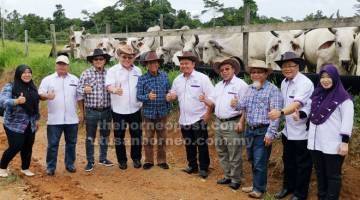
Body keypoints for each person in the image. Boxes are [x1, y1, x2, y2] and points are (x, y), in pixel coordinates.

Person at [233, 59, 283, 199]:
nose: (255, 75)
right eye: (253, 72)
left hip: (263, 130)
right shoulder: (249, 88)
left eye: (259, 72)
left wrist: (270, 133)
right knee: (252, 159)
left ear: (266, 74)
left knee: (260, 161)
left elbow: (275, 114)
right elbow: (242, 106)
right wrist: (235, 104)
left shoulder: (273, 90)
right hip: (250, 130)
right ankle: (256, 185)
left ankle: (259, 189)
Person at [268, 52, 314, 200]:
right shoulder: (284, 82)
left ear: (298, 66)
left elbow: (297, 104)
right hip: (288, 132)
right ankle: (288, 187)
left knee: (302, 164)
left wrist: (280, 112)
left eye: (290, 66)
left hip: (302, 132)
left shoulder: (305, 83)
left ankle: (300, 194)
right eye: (284, 66)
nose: (287, 69)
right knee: (288, 162)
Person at [307, 64, 353, 200]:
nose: (325, 80)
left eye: (329, 77)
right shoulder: (317, 94)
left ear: (335, 78)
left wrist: (345, 142)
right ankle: (322, 197)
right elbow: (309, 112)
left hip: (333, 145)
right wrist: (301, 115)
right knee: (320, 173)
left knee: (333, 175)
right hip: (315, 143)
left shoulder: (344, 98)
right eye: (322, 77)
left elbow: (347, 121)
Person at [200, 57, 248, 189]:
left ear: (233, 70)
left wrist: (242, 122)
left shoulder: (241, 85)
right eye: (222, 70)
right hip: (219, 122)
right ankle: (228, 176)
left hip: (233, 122)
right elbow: (214, 104)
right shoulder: (219, 85)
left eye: (227, 69)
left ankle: (236, 179)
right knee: (221, 151)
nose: (224, 72)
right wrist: (205, 100)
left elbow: (246, 107)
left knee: (234, 152)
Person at [166, 51, 214, 179]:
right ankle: (192, 166)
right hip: (184, 118)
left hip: (199, 117)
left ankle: (204, 168)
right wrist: (170, 96)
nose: (184, 66)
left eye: (186, 63)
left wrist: (208, 114)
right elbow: (172, 94)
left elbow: (212, 98)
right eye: (181, 64)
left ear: (193, 64)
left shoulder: (202, 78)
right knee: (189, 143)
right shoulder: (177, 80)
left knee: (201, 144)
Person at [39, 55, 82, 176]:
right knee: (53, 144)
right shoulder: (48, 80)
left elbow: (79, 98)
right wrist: (47, 96)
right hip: (54, 119)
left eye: (64, 64)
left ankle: (70, 164)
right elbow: (40, 95)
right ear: (55, 65)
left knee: (71, 143)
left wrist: (82, 113)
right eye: (59, 64)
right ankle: (51, 167)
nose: (61, 66)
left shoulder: (75, 79)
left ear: (68, 66)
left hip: (72, 119)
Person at [105, 44, 143, 170]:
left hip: (135, 109)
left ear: (134, 58)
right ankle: (122, 160)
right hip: (118, 110)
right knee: (119, 136)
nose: (127, 59)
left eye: (130, 57)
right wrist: (115, 89)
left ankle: (136, 158)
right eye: (124, 57)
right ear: (119, 57)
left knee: (136, 135)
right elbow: (108, 86)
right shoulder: (113, 71)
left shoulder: (138, 71)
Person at [0, 64, 40, 177]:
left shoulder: (32, 87)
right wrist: (16, 101)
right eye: (24, 72)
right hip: (13, 124)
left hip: (30, 123)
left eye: (29, 72)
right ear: (19, 74)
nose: (27, 75)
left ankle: (25, 168)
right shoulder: (10, 86)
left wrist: (36, 120)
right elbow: (2, 101)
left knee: (28, 146)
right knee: (16, 146)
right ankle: (2, 167)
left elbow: (35, 105)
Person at [77, 49, 113, 172]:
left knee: (105, 135)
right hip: (91, 110)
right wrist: (84, 90)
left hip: (107, 110)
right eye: (96, 59)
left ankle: (103, 158)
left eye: (101, 59)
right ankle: (90, 161)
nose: (98, 61)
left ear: (105, 61)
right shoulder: (86, 74)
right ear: (92, 61)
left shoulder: (109, 74)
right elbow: (78, 91)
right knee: (90, 137)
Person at [137, 51, 171, 170]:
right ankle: (149, 161)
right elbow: (138, 96)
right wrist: (147, 96)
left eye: (155, 62)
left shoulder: (165, 76)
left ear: (158, 63)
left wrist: (169, 105)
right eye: (150, 63)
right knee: (148, 138)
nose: (153, 65)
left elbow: (169, 92)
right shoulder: (142, 78)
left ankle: (162, 161)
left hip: (162, 112)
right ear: (146, 65)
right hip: (148, 113)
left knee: (162, 138)